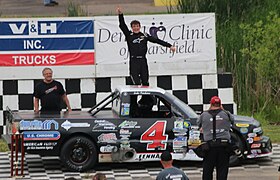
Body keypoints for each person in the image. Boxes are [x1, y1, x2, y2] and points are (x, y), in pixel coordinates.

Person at [116, 7, 176, 86]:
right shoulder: (129, 35)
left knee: (145, 82)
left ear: (140, 27)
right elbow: (122, 25)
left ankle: (146, 98)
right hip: (134, 61)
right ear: (132, 27)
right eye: (134, 26)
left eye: (137, 26)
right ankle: (134, 98)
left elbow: (157, 40)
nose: (136, 28)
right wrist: (120, 15)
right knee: (135, 83)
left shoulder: (144, 35)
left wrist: (169, 46)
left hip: (143, 61)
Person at [197, 96, 234, 180]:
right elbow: (233, 120)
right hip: (223, 146)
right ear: (220, 104)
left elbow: (198, 123)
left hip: (209, 147)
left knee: (207, 170)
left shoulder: (204, 115)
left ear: (211, 103)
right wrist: (223, 110)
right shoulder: (226, 113)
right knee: (222, 170)